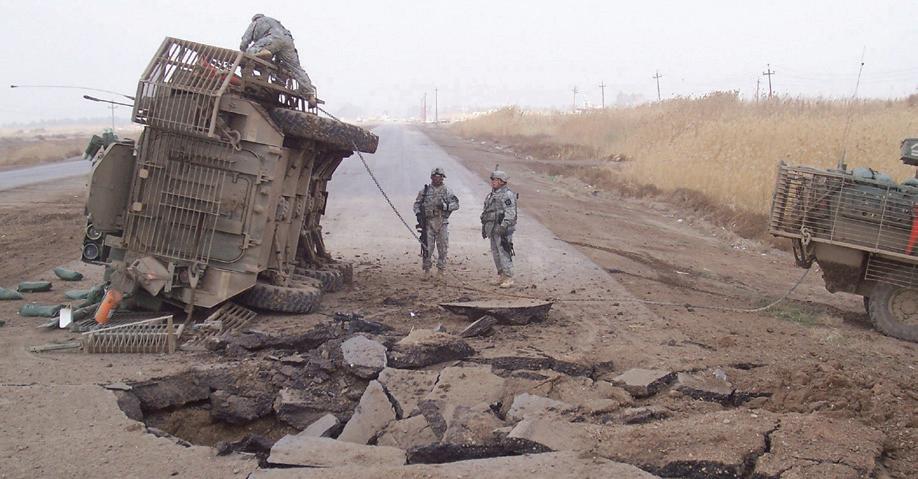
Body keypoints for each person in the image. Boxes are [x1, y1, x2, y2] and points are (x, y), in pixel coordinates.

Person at [240, 14, 317, 104]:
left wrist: (243, 51)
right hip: (288, 41)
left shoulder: (256, 22)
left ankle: (264, 51)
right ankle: (310, 94)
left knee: (250, 52)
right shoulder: (275, 22)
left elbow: (245, 40)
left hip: (272, 39)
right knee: (296, 68)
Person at [414, 167, 460, 278]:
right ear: (431, 177)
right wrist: (418, 214)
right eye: (435, 176)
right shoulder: (424, 191)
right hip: (428, 222)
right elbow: (417, 204)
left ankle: (441, 270)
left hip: (442, 222)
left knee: (442, 247)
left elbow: (456, 205)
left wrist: (445, 206)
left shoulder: (447, 191)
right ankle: (427, 269)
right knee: (427, 247)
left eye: (439, 177)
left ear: (443, 178)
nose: (437, 179)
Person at [480, 169, 517, 288]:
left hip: (503, 229)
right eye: (492, 179)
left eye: (495, 180)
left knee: (504, 252)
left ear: (502, 181)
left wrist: (503, 226)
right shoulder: (492, 194)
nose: (492, 182)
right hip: (492, 228)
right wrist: (484, 227)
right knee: (496, 253)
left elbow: (510, 213)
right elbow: (487, 211)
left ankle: (508, 277)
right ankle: (501, 275)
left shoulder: (507, 195)